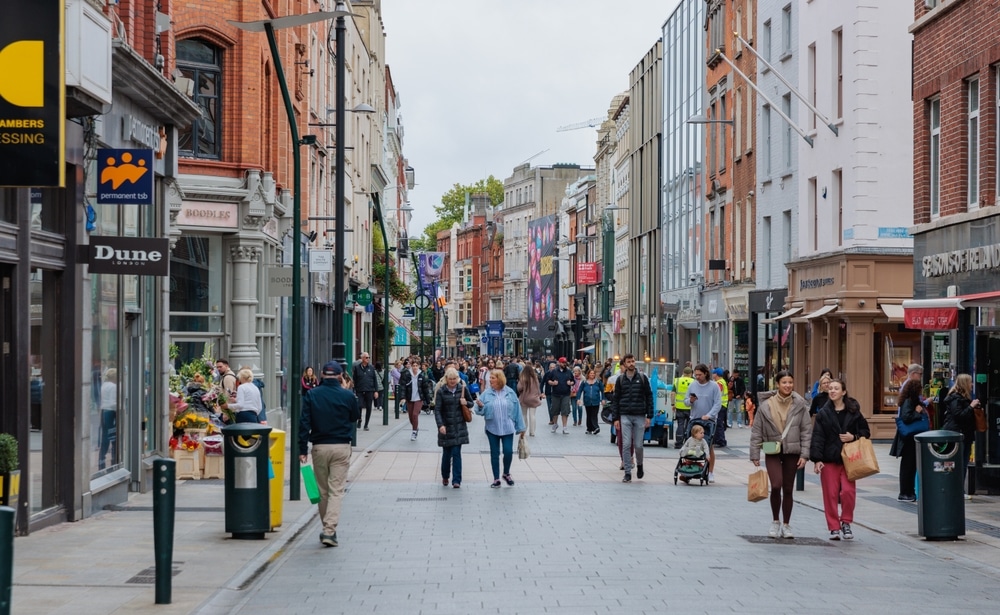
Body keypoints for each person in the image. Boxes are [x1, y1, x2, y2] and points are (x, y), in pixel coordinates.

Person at [299, 361, 360, 547]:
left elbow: (304, 423)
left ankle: (327, 527)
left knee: (323, 491)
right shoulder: (348, 395)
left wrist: (302, 449)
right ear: (340, 375)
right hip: (341, 446)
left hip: (319, 447)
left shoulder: (312, 394)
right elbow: (354, 417)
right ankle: (329, 530)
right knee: (336, 490)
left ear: (322, 374)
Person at [749, 370, 811, 539]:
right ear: (777, 384)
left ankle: (786, 524)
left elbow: (806, 431)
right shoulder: (766, 405)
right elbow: (757, 431)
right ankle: (775, 521)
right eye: (784, 382)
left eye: (790, 382)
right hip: (772, 450)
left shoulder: (800, 405)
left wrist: (804, 455)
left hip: (793, 451)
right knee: (776, 485)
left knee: (788, 489)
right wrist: (755, 454)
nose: (787, 385)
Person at [810, 379, 870, 540]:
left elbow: (866, 431)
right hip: (829, 458)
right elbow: (817, 437)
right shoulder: (824, 413)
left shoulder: (853, 411)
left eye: (836, 388)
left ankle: (846, 522)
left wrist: (853, 436)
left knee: (848, 492)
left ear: (843, 392)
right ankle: (834, 527)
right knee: (829, 494)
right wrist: (817, 459)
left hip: (850, 459)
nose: (832, 391)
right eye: (830, 388)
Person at [474, 369, 525, 488]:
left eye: (493, 378)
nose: (490, 380)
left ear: (500, 379)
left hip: (508, 427)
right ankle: (496, 478)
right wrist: (481, 407)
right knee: (494, 453)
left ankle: (506, 473)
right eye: (490, 378)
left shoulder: (510, 392)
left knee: (508, 451)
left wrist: (521, 428)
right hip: (492, 427)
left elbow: (517, 410)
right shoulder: (486, 393)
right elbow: (478, 410)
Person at [612, 354, 653, 483]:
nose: (631, 363)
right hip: (625, 415)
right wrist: (616, 418)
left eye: (633, 361)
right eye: (628, 362)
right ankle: (628, 472)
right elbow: (616, 399)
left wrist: (649, 416)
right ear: (624, 364)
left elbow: (649, 396)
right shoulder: (620, 380)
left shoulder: (642, 378)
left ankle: (640, 465)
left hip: (639, 415)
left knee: (638, 445)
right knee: (626, 444)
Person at [942, 373, 980, 499]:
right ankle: (955, 489)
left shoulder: (962, 398)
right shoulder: (956, 398)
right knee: (957, 463)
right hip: (957, 434)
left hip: (964, 434)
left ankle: (958, 489)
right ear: (965, 384)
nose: (972, 385)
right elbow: (959, 416)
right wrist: (971, 407)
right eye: (970, 382)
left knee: (962, 463)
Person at [434, 368, 473, 488]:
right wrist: (440, 425)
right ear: (446, 379)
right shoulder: (441, 391)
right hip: (446, 427)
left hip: (459, 427)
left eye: (454, 379)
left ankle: (456, 480)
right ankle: (445, 476)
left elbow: (471, 403)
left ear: (458, 379)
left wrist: (465, 402)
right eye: (450, 379)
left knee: (456, 453)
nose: (452, 381)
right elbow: (437, 410)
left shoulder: (462, 389)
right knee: (446, 454)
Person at [890, 378, 926, 501]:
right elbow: (906, 417)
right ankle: (905, 492)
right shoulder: (908, 402)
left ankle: (909, 491)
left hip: (911, 438)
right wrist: (917, 413)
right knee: (908, 466)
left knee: (911, 466)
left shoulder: (913, 401)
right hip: (908, 439)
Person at [685, 364, 722, 482]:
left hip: (709, 421)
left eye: (699, 374)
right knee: (692, 444)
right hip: (695, 418)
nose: (697, 377)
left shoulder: (714, 386)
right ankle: (689, 469)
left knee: (709, 445)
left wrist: (709, 415)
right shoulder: (692, 385)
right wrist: (690, 401)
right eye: (695, 374)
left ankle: (710, 472)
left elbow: (718, 403)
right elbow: (686, 401)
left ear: (706, 373)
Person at [399, 360, 431, 440]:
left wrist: (428, 401)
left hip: (419, 398)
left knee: (415, 414)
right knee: (410, 417)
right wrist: (403, 397)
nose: (415, 367)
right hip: (410, 398)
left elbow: (425, 389)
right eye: (414, 365)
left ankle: (414, 432)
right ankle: (416, 427)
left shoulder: (421, 376)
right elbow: (403, 387)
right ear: (411, 366)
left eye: (416, 365)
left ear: (419, 366)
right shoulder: (407, 375)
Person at [544, 357, 575, 434]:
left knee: (565, 411)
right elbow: (548, 380)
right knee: (555, 410)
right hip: (555, 394)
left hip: (566, 394)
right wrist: (552, 383)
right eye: (562, 363)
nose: (564, 364)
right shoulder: (554, 371)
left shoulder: (568, 372)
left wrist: (570, 383)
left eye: (565, 363)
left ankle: (564, 427)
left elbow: (573, 381)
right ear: (559, 363)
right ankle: (555, 424)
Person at [352, 352, 379, 431]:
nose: (368, 359)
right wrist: (355, 388)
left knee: (369, 407)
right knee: (359, 405)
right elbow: (355, 379)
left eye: (369, 357)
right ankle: (359, 419)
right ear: (362, 358)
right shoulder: (357, 368)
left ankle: (366, 424)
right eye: (367, 357)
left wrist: (376, 391)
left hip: (369, 390)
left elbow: (375, 380)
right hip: (360, 390)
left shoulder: (371, 368)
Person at [98, 368, 118, 470]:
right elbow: (114, 403)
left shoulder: (104, 386)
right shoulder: (114, 387)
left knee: (105, 437)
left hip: (104, 411)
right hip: (111, 412)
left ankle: (101, 461)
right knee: (114, 438)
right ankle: (114, 461)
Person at [516, 361, 543, 437]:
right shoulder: (535, 378)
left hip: (524, 398)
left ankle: (524, 430)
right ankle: (532, 432)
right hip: (534, 398)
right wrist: (539, 395)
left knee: (524, 415)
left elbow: (519, 388)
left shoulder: (523, 378)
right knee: (532, 415)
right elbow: (538, 388)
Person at [577, 367, 604, 435]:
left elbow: (603, 391)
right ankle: (589, 428)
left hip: (596, 401)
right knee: (589, 415)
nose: (592, 374)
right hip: (587, 401)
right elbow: (580, 391)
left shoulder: (598, 382)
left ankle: (596, 427)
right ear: (588, 374)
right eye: (591, 373)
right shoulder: (584, 382)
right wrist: (578, 399)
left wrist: (603, 399)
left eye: (593, 373)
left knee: (594, 415)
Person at [672, 366, 694, 448]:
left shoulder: (677, 381)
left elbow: (673, 393)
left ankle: (678, 443)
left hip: (679, 406)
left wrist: (672, 404)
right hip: (690, 407)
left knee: (680, 424)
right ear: (691, 374)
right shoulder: (694, 381)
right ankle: (687, 442)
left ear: (683, 373)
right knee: (689, 425)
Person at [712, 368, 730, 446]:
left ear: (716, 374)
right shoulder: (721, 381)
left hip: (720, 405)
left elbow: (717, 393)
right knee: (718, 423)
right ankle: (718, 439)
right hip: (722, 405)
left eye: (713, 373)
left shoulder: (719, 383)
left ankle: (721, 440)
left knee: (719, 423)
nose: (712, 374)